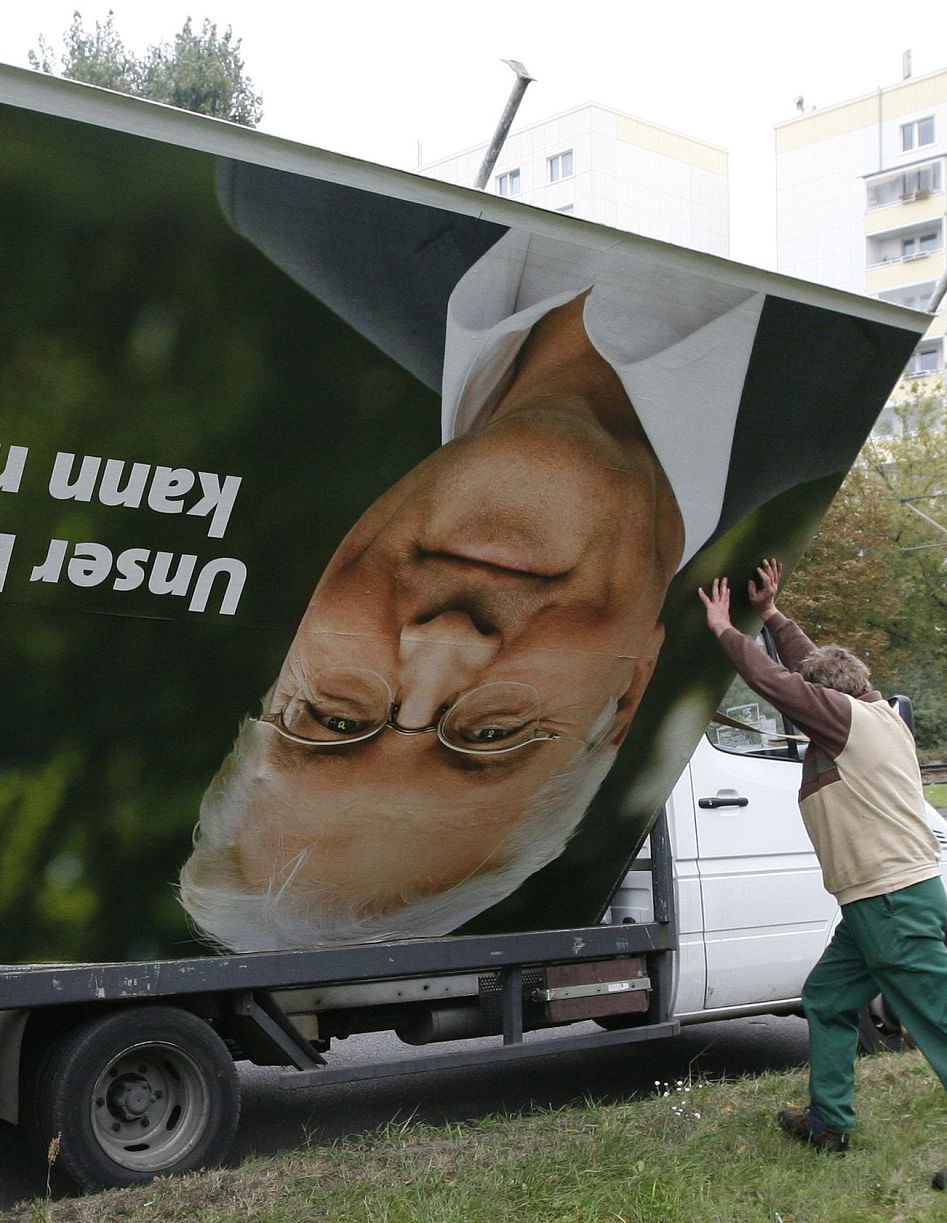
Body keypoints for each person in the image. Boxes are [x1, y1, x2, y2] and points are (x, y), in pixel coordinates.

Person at [180, 284, 688, 952]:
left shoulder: (292, 213)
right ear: (625, 697)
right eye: (492, 733)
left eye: (334, 718)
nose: (446, 639)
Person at [698, 560, 947, 1190]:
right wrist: (772, 613)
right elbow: (810, 668)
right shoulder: (879, 713)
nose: (810, 710)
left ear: (831, 702)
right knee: (828, 997)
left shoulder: (844, 722)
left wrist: (727, 629)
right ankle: (830, 1122)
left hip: (891, 903)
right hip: (882, 902)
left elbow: (782, 683)